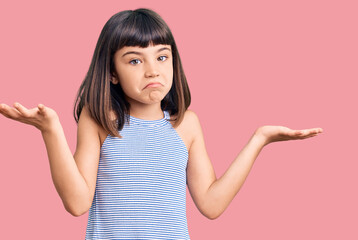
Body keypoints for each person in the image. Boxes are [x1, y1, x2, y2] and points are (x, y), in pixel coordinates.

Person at [0, 8, 323, 240]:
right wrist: (50, 130)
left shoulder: (188, 125)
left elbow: (211, 205)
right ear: (112, 72)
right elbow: (77, 203)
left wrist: (259, 139)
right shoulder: (99, 119)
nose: (153, 70)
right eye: (135, 60)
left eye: (162, 56)